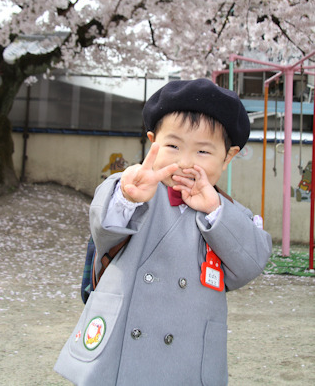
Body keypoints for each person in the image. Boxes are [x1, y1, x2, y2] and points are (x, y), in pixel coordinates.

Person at [55, 78, 272, 386]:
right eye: (172, 146)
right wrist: (126, 196)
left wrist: (215, 211)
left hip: (188, 350)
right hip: (123, 344)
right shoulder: (137, 190)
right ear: (151, 141)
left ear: (228, 157)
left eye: (203, 152)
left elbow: (249, 265)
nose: (185, 162)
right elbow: (105, 228)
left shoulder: (227, 212)